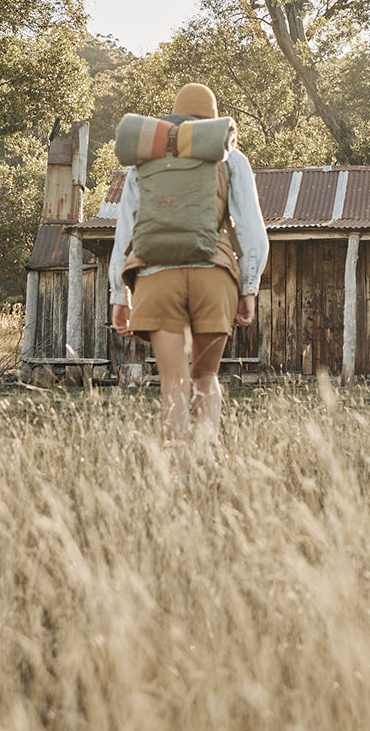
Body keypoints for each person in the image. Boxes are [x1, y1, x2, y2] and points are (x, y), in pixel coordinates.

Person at [109, 83, 268, 471]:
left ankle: (178, 472)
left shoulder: (144, 160)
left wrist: (118, 294)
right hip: (213, 275)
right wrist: (249, 287)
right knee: (205, 375)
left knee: (173, 384)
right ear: (212, 120)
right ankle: (209, 460)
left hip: (155, 277)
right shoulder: (230, 158)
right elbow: (251, 229)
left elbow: (125, 232)